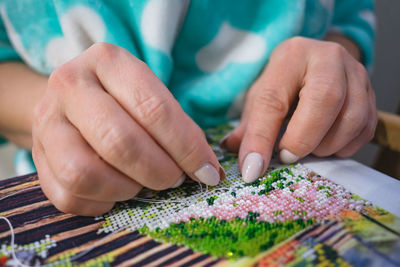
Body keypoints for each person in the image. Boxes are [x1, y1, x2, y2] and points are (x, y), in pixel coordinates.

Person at [0, 0, 377, 216]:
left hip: (288, 161)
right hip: (86, 190)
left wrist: (335, 63)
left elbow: (349, 13)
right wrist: (59, 110)